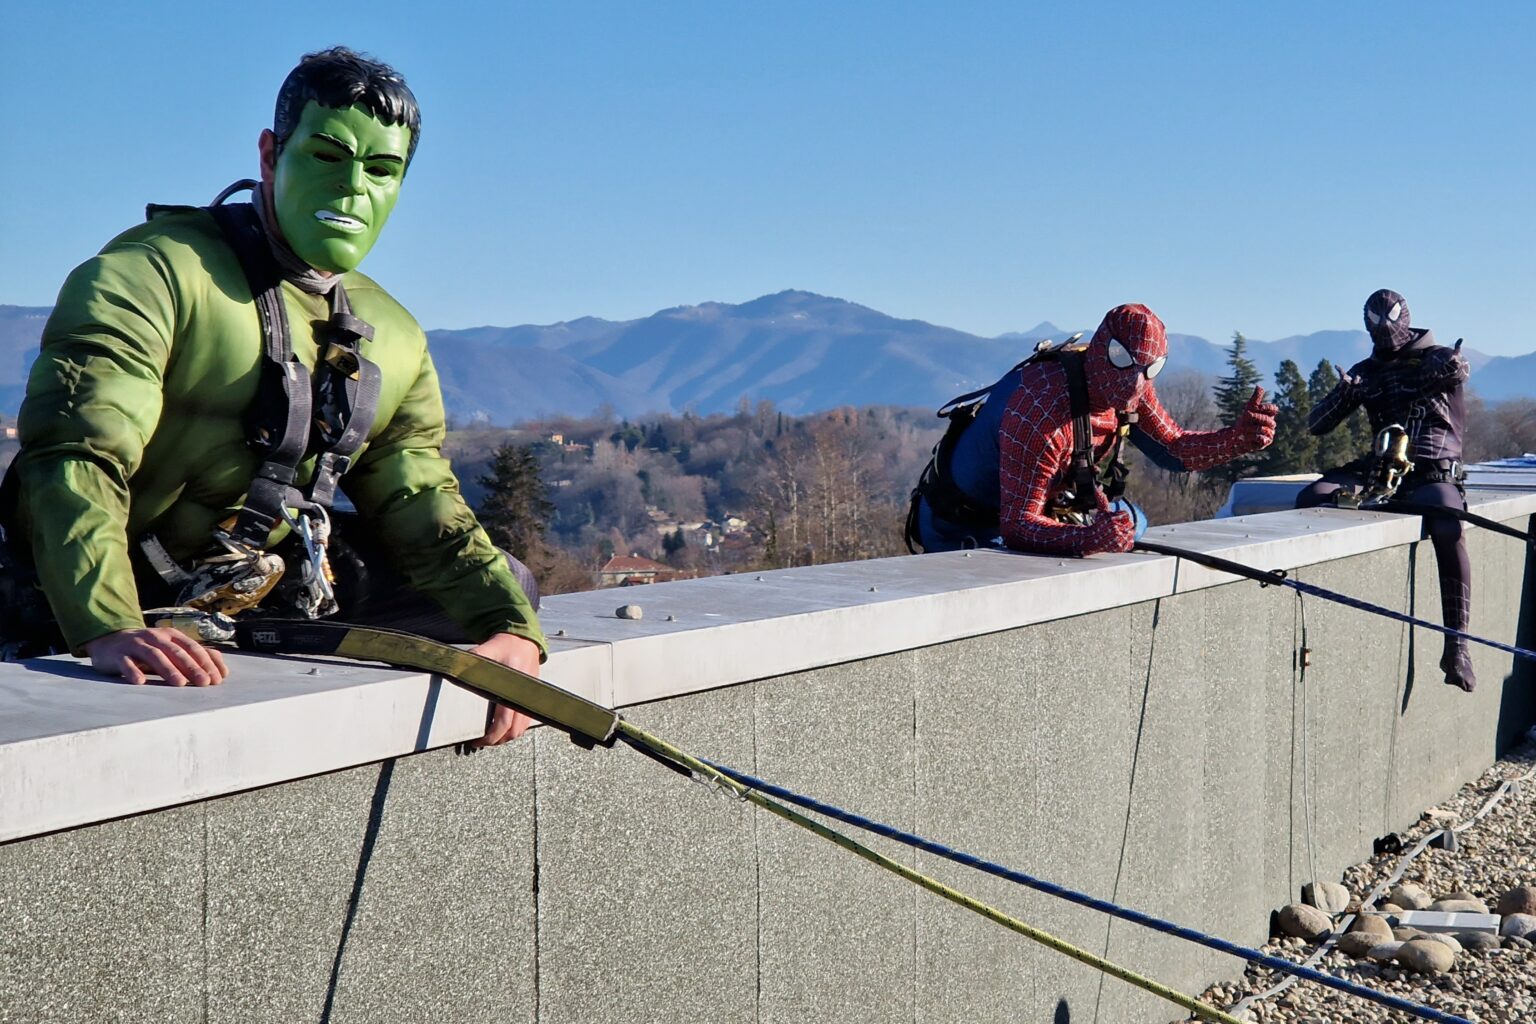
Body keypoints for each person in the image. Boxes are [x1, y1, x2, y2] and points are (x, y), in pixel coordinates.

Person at [0, 47, 544, 744]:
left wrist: (509, 631)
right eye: (328, 156)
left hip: (251, 595)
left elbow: (417, 496)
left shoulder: (393, 336)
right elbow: (78, 453)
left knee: (509, 587)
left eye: (382, 170)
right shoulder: (152, 273)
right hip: (73, 591)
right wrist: (106, 623)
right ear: (270, 154)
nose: (353, 189)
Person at [908, 303, 1277, 556]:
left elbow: (1173, 447)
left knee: (1133, 521)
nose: (1134, 382)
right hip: (959, 528)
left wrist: (1237, 439)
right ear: (1101, 348)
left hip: (1034, 511)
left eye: (1151, 369)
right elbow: (1018, 525)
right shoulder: (1041, 407)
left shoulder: (1129, 386)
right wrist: (1089, 537)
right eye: (1122, 360)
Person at [1296, 288, 1475, 692]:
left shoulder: (1439, 357)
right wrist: (1347, 392)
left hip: (1433, 473)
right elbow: (1316, 424)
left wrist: (1439, 370)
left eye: (1390, 319)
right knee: (1313, 498)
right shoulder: (1367, 372)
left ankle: (1458, 645)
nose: (1384, 330)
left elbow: (1457, 369)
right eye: (1375, 323)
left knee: (1448, 525)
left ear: (1405, 317)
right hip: (1382, 474)